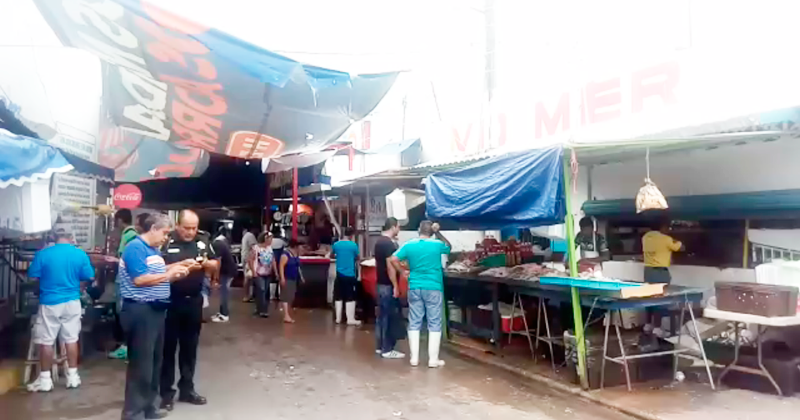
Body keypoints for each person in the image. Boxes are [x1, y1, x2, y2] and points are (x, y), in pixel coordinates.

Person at [118, 213, 192, 420]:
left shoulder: (153, 250)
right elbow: (140, 279)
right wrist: (169, 275)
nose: (166, 238)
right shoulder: (135, 248)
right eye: (165, 233)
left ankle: (149, 406)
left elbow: (155, 272)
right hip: (141, 310)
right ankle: (133, 413)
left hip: (156, 310)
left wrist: (178, 265)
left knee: (154, 362)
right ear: (153, 229)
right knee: (141, 364)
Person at [159, 210, 218, 412]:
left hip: (193, 301)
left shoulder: (203, 240)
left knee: (189, 348)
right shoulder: (166, 240)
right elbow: (156, 266)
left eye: (194, 228)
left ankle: (187, 389)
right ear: (178, 226)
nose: (190, 232)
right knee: (167, 349)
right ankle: (166, 393)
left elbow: (215, 263)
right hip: (170, 301)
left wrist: (207, 264)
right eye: (186, 228)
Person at [26, 228, 95, 392]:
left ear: (54, 238)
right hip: (72, 302)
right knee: (71, 339)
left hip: (50, 302)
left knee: (47, 341)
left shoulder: (43, 254)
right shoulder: (80, 254)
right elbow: (89, 276)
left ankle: (45, 380)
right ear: (71, 238)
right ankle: (73, 377)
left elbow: (32, 276)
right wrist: (78, 286)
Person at [391, 221, 451, 368]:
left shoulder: (409, 245)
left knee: (414, 321)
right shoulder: (437, 244)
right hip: (433, 287)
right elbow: (449, 247)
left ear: (419, 230)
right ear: (431, 231)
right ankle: (433, 360)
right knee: (434, 322)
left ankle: (414, 358)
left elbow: (393, 259)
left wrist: (403, 272)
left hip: (415, 286)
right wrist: (438, 232)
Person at [108, 209, 139, 361]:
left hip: (125, 279)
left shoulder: (129, 235)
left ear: (120, 220)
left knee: (123, 313)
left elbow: (127, 259)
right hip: (126, 278)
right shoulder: (131, 234)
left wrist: (114, 260)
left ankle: (127, 347)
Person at [374, 217, 404, 359]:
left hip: (380, 284)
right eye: (398, 227)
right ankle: (387, 349)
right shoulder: (388, 244)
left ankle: (380, 347)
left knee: (381, 317)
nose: (399, 229)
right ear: (393, 227)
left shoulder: (379, 242)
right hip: (387, 284)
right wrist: (396, 286)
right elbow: (390, 266)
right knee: (388, 317)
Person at [331, 227, 361, 326]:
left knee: (338, 296)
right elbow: (358, 258)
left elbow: (331, 255)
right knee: (350, 296)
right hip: (350, 275)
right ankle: (350, 319)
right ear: (351, 236)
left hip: (339, 275)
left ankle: (338, 318)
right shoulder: (353, 245)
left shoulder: (336, 245)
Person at [642, 217, 683, 284]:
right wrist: (679, 242)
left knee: (650, 289)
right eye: (668, 228)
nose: (668, 230)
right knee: (663, 288)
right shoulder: (666, 238)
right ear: (663, 227)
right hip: (660, 271)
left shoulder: (645, 237)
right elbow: (677, 248)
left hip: (647, 270)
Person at [211, 226, 237, 323]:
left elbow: (218, 261)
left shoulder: (217, 244)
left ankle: (224, 315)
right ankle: (222, 312)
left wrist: (215, 277)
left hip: (226, 271)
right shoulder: (223, 241)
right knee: (224, 292)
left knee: (224, 293)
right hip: (230, 270)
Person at [251, 232, 277, 318]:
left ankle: (261, 309)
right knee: (261, 290)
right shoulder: (256, 248)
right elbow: (250, 260)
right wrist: (253, 271)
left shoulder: (270, 248)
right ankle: (262, 310)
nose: (271, 241)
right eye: (270, 239)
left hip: (267, 273)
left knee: (265, 291)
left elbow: (273, 260)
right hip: (258, 273)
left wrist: (275, 272)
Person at [278, 240, 304, 324]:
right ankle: (286, 315)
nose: (302, 248)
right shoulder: (285, 255)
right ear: (296, 246)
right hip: (287, 277)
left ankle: (288, 313)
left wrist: (301, 277)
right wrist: (282, 278)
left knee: (291, 296)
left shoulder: (296, 255)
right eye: (300, 246)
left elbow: (298, 267)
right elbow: (281, 266)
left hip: (294, 278)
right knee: (286, 296)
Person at [240, 223, 258, 303]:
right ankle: (246, 296)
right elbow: (253, 247)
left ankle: (248, 295)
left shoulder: (245, 235)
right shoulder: (250, 236)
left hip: (245, 258)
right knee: (247, 277)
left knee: (247, 277)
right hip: (249, 259)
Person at [269, 228, 286, 300]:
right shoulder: (281, 241)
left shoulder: (270, 241)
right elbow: (286, 247)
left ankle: (272, 295)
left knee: (272, 278)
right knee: (280, 277)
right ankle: (280, 295)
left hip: (270, 261)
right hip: (279, 260)